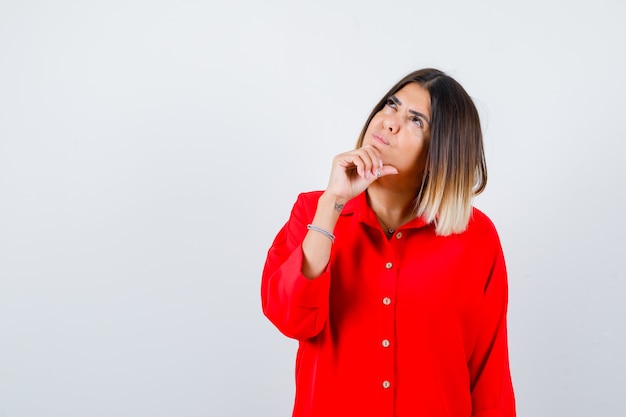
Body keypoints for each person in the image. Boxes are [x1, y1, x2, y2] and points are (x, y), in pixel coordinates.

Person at [261, 68, 515, 417]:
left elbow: (490, 379)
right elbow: (290, 318)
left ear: (441, 152)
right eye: (391, 105)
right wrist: (332, 204)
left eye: (415, 120)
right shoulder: (313, 211)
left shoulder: (477, 238)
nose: (390, 122)